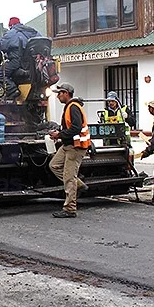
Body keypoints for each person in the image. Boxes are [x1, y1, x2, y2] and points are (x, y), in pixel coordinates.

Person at [48, 82, 91, 218]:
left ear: (66, 93)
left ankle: (70, 209)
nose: (57, 97)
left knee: (68, 178)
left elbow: (76, 128)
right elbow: (70, 128)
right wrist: (59, 133)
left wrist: (59, 135)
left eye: (59, 93)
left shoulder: (73, 107)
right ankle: (78, 184)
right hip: (68, 145)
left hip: (76, 147)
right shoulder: (69, 107)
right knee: (54, 165)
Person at [0, 17, 41, 99]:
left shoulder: (12, 33)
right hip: (32, 65)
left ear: (11, 25)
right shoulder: (34, 32)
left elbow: (0, 45)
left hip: (17, 62)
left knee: (0, 74)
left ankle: (12, 90)